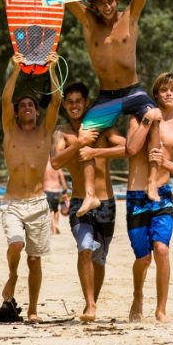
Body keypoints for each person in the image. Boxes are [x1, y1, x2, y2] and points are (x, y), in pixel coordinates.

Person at [38, 0, 160, 216]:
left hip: (133, 90)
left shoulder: (129, 17)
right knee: (86, 132)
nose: (108, 7)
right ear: (94, 5)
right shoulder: (89, 24)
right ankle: (91, 194)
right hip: (107, 94)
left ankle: (153, 181)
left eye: (111, 2)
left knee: (154, 119)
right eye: (102, 3)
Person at [123, 72, 173, 322]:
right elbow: (130, 149)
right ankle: (137, 295)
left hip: (163, 194)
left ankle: (161, 308)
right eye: (164, 90)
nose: (169, 94)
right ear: (156, 94)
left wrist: (167, 162)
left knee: (162, 249)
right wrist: (146, 122)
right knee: (143, 258)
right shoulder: (139, 119)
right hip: (136, 194)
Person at [0, 51, 61, 323]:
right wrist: (17, 68)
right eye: (22, 106)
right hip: (12, 202)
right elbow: (4, 99)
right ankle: (12, 274)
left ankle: (33, 308)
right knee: (16, 243)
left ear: (36, 110)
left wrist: (52, 70)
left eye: (31, 106)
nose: (26, 109)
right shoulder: (10, 131)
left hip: (37, 203)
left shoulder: (45, 133)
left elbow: (57, 99)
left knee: (35, 259)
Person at [51, 81, 126, 322]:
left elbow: (126, 147)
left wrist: (96, 151)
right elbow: (55, 162)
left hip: (106, 203)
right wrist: (80, 143)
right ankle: (90, 304)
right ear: (64, 105)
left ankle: (94, 299)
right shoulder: (61, 133)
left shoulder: (103, 128)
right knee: (85, 248)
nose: (74, 105)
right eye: (70, 102)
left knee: (99, 258)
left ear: (85, 103)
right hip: (79, 202)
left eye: (78, 101)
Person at [43, 158, 68, 234]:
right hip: (57, 191)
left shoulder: (43, 167)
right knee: (56, 210)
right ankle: (56, 224)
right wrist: (64, 191)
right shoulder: (57, 167)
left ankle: (53, 228)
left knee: (50, 211)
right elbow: (63, 180)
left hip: (46, 190)